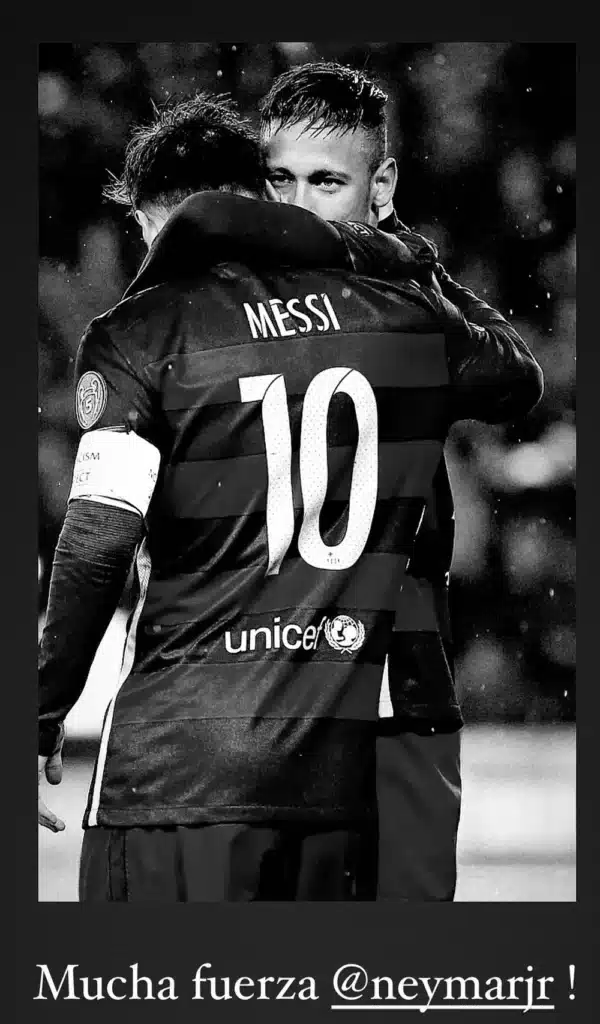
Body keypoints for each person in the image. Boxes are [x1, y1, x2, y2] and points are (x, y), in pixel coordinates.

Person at [38, 92, 543, 902]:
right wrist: (391, 248)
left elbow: (99, 539)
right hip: (340, 766)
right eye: (287, 185)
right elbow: (516, 377)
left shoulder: (143, 331)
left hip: (180, 760)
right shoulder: (402, 314)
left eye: (326, 182)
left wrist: (40, 703)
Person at [259, 61, 544, 900]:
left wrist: (401, 259)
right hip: (260, 683)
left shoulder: (404, 300)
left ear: (379, 184)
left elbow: (513, 381)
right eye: (279, 180)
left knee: (403, 938)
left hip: (393, 667)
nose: (298, 205)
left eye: (326, 182)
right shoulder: (217, 305)